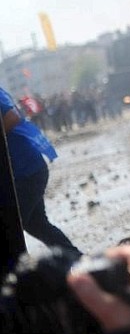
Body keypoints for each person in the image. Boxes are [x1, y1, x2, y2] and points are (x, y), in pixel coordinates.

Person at [0, 85, 82, 255]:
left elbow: (11, 117)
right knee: (36, 224)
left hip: (26, 172)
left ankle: (18, 277)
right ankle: (76, 260)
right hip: (24, 173)